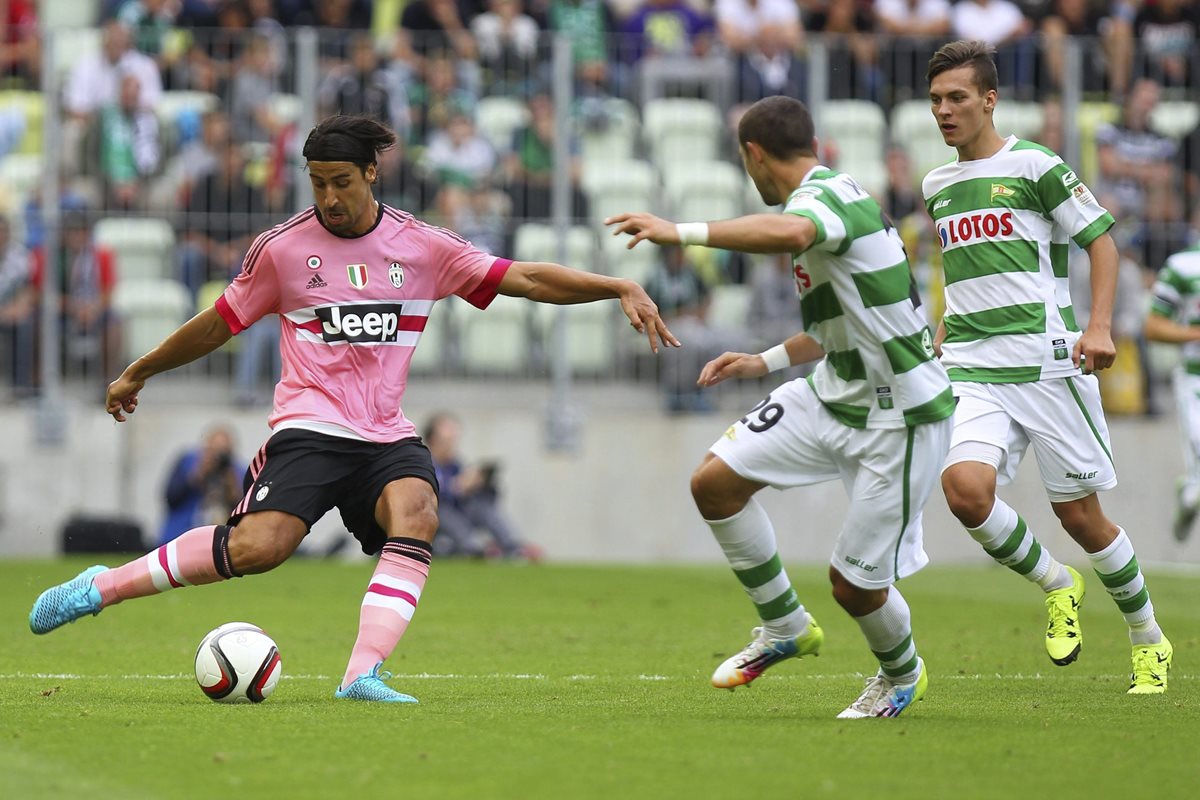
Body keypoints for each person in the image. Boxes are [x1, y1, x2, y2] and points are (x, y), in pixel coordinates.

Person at [28, 114, 678, 705]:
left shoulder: (422, 246)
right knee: (259, 548)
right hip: (310, 428)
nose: (330, 198)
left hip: (385, 435)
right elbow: (218, 325)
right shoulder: (282, 250)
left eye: (341, 181)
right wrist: (138, 371)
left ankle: (361, 674)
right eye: (317, 184)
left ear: (372, 172)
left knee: (418, 511)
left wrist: (614, 284)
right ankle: (102, 587)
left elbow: (526, 279)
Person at [607, 95, 955, 718]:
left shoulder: (824, 202)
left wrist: (679, 229)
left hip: (900, 416)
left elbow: (793, 232)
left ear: (754, 154)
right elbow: (838, 327)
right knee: (715, 483)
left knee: (854, 585)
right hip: (832, 391)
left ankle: (901, 676)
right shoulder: (829, 203)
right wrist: (760, 361)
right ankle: (785, 626)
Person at [924, 40, 1172, 694]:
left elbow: (1103, 243)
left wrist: (1099, 326)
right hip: (972, 366)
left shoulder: (1036, 165)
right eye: (935, 101)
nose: (944, 111)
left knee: (1081, 519)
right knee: (965, 492)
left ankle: (1148, 637)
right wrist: (944, 326)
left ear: (989, 100)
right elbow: (964, 272)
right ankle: (1057, 583)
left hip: (1047, 365)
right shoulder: (937, 185)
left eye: (956, 98)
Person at [424, 412, 539, 560]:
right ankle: (473, 549)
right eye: (447, 440)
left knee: (483, 506)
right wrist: (455, 487)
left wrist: (480, 484)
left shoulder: (454, 465)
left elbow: (484, 498)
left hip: (459, 512)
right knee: (443, 511)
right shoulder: (424, 462)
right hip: (436, 515)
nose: (452, 445)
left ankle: (513, 547)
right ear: (433, 439)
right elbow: (424, 495)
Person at [1144, 241, 1200, 542]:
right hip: (1195, 381)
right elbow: (1153, 326)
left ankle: (1191, 492)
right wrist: (1194, 334)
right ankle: (1190, 494)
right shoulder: (1184, 265)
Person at [160, 426, 245, 546]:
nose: (217, 458)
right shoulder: (188, 462)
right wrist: (198, 474)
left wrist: (232, 487)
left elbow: (243, 513)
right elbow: (170, 498)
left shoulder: (238, 471)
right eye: (213, 450)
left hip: (220, 540)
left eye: (223, 452)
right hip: (182, 534)